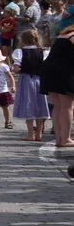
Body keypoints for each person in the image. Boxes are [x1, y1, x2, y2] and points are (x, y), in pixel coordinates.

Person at [40, 12, 74, 149]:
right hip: (63, 72)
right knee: (67, 106)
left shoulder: (64, 35)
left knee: (58, 106)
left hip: (49, 70)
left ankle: (60, 139)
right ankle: (65, 139)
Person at [13, 30, 50, 142]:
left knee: (28, 105)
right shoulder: (43, 52)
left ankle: (30, 134)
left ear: (23, 40)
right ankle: (39, 134)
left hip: (27, 80)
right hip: (40, 80)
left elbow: (16, 70)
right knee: (41, 104)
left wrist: (23, 69)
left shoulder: (20, 52)